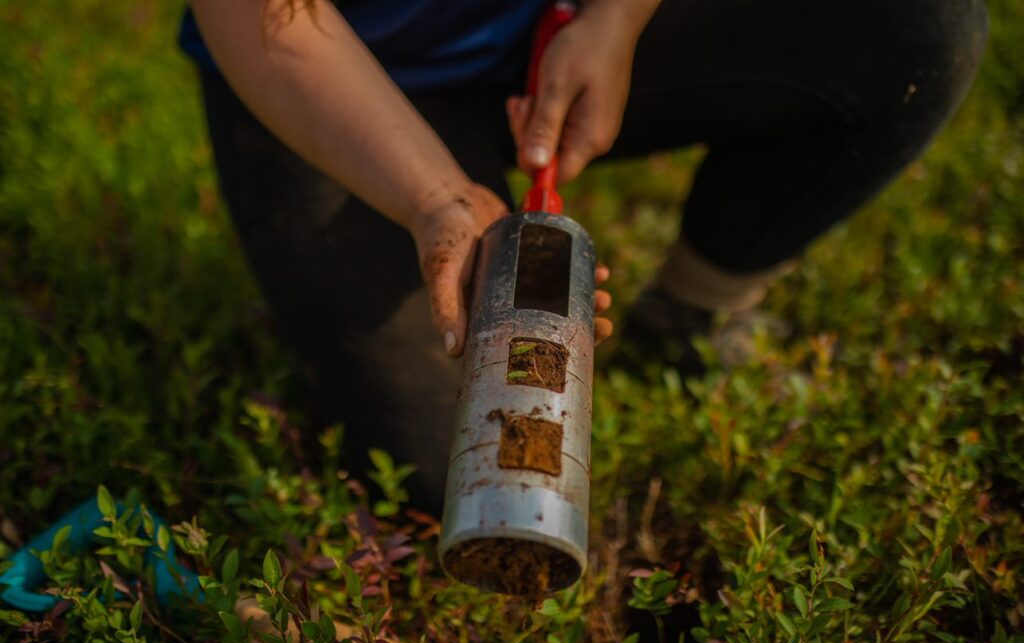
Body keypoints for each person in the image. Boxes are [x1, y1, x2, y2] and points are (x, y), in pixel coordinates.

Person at [183, 0, 987, 515]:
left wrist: (616, 21)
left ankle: (693, 311)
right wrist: (434, 199)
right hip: (334, 78)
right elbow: (267, 21)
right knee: (453, 481)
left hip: (550, 27)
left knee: (913, 28)